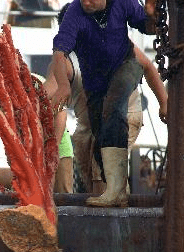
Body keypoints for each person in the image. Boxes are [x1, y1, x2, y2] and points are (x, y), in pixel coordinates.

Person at [51, 3, 168, 195]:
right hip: (89, 124)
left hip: (125, 114)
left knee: (101, 169)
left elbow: (147, 65)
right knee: (92, 175)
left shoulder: (115, 45)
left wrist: (164, 102)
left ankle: (113, 214)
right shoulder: (67, 55)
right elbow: (53, 84)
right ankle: (110, 208)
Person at [0, 64, 74, 193]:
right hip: (24, 158)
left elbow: (60, 113)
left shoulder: (34, 84)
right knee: (28, 197)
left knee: (63, 196)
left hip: (57, 150)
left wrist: (52, 149)